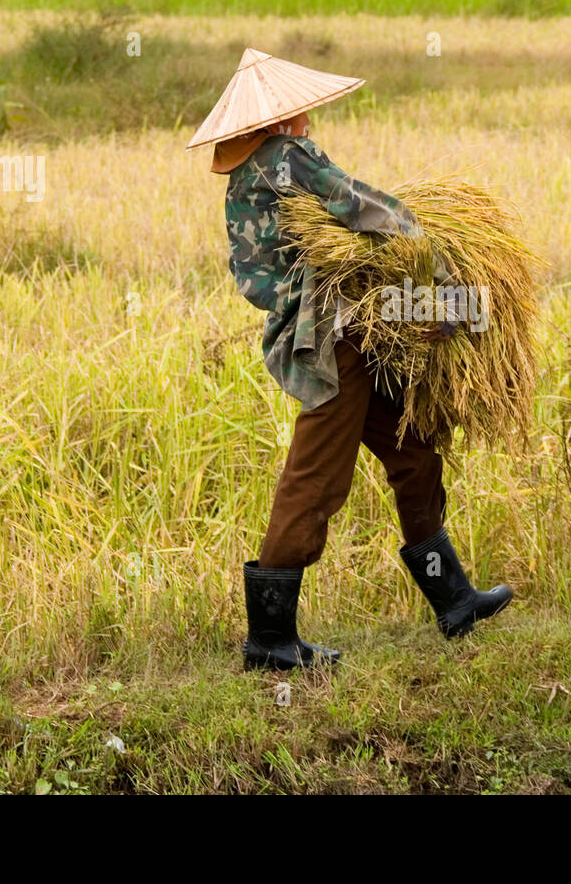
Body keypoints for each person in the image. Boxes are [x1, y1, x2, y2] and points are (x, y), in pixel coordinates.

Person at [188, 48, 513, 671]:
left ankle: (455, 601)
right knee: (316, 478)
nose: (310, 118)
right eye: (303, 111)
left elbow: (255, 278)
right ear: (283, 117)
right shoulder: (288, 157)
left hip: (342, 332)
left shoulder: (244, 178)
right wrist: (425, 242)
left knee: (413, 446)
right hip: (330, 339)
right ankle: (272, 644)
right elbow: (360, 204)